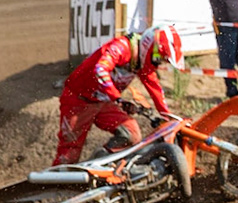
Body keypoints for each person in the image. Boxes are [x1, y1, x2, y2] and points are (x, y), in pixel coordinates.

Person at [52, 26, 185, 165]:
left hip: (103, 102)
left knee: (131, 134)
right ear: (150, 46)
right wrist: (118, 98)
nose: (158, 63)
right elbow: (101, 69)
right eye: (159, 58)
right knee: (69, 155)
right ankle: (55, 178)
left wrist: (168, 117)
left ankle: (99, 163)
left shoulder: (141, 61)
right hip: (78, 100)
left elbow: (154, 88)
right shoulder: (121, 47)